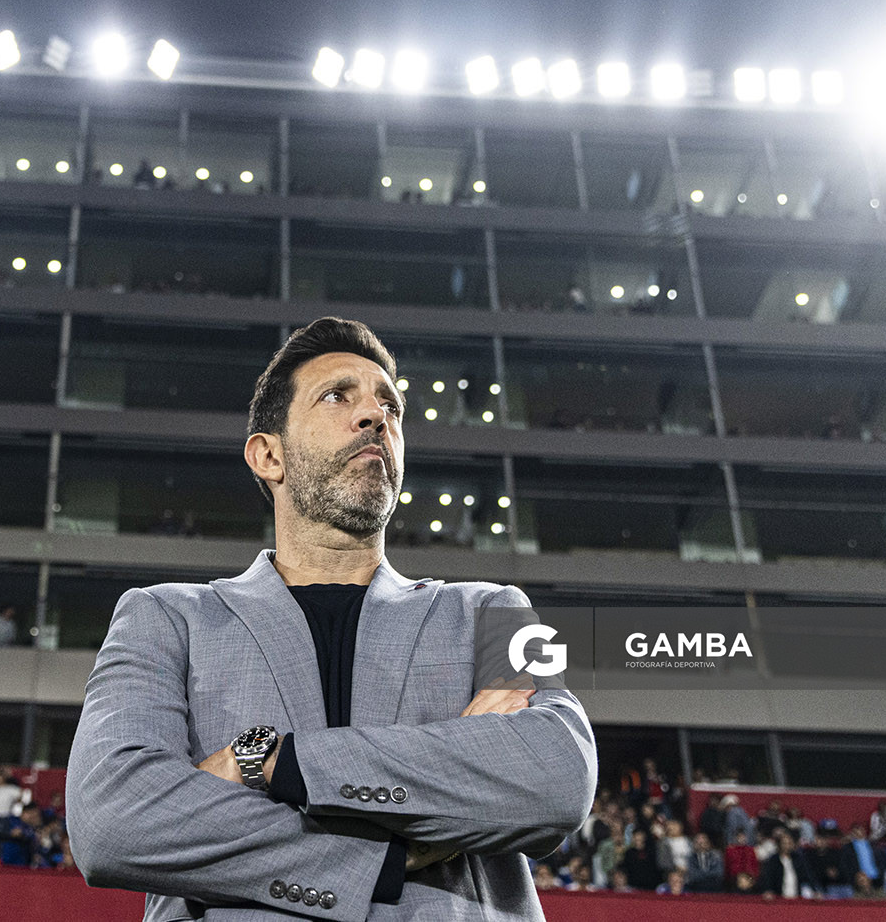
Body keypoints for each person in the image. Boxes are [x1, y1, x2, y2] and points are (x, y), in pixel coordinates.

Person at [66, 317, 598, 920]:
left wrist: (269, 761)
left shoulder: (497, 607)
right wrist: (391, 852)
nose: (375, 416)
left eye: (390, 406)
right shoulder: (161, 617)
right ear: (269, 455)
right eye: (336, 396)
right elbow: (112, 820)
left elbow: (559, 774)